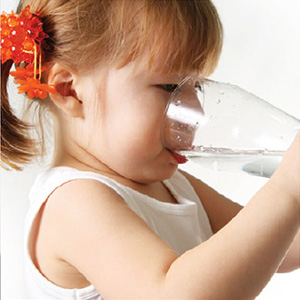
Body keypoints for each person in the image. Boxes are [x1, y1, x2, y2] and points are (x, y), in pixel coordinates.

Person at [1, 0, 299, 299]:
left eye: (196, 88)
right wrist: (287, 191)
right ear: (70, 91)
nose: (195, 112)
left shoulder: (170, 185)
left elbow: (286, 246)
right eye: (170, 87)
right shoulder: (74, 202)